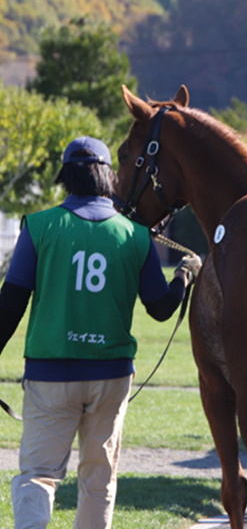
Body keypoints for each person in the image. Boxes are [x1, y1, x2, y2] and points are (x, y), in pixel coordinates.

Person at [0, 136, 202, 529]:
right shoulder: (135, 234)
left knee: (38, 475)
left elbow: (10, 304)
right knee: (98, 480)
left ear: (65, 176)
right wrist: (184, 275)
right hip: (110, 376)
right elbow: (160, 308)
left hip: (50, 375)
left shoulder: (39, 226)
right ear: (108, 176)